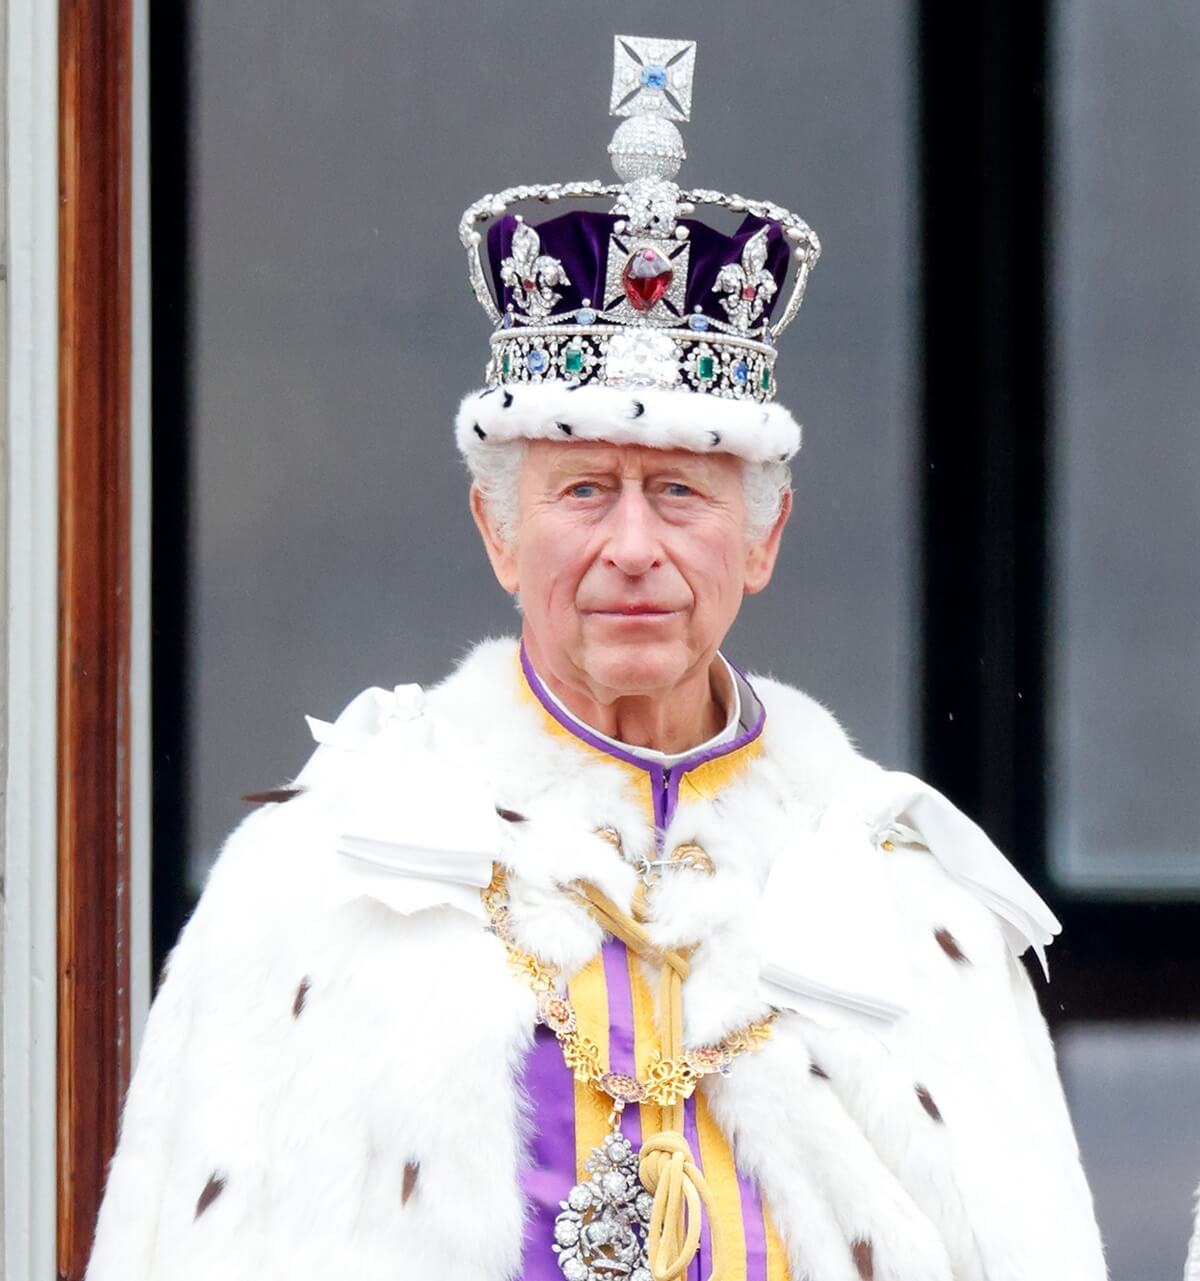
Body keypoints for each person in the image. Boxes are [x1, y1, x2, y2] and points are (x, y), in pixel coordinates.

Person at [86, 33, 1106, 1281]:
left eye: (680, 490)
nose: (633, 547)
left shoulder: (910, 902)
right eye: (582, 490)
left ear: (765, 533)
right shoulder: (316, 880)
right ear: (498, 534)